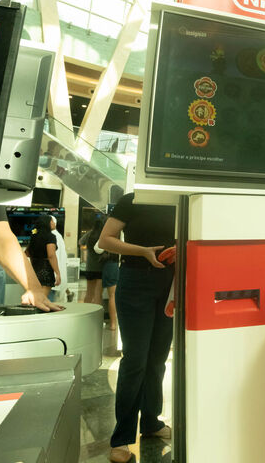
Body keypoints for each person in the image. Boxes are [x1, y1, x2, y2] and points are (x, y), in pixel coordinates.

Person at [98, 193, 176, 463]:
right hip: (135, 281)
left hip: (171, 282)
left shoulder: (181, 201)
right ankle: (121, 438)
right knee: (135, 360)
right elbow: (105, 240)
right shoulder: (131, 200)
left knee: (158, 358)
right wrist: (143, 251)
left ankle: (152, 422)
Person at [27, 214, 60, 290]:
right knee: (43, 296)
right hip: (46, 269)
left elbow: (27, 253)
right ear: (47, 223)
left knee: (35, 295)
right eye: (52, 221)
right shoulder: (50, 237)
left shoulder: (34, 236)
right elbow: (51, 255)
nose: (54, 223)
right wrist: (57, 273)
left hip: (34, 270)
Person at [50, 215, 69, 302]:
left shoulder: (54, 236)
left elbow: (53, 255)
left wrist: (57, 272)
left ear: (54, 224)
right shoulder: (57, 235)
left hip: (54, 270)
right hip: (57, 270)